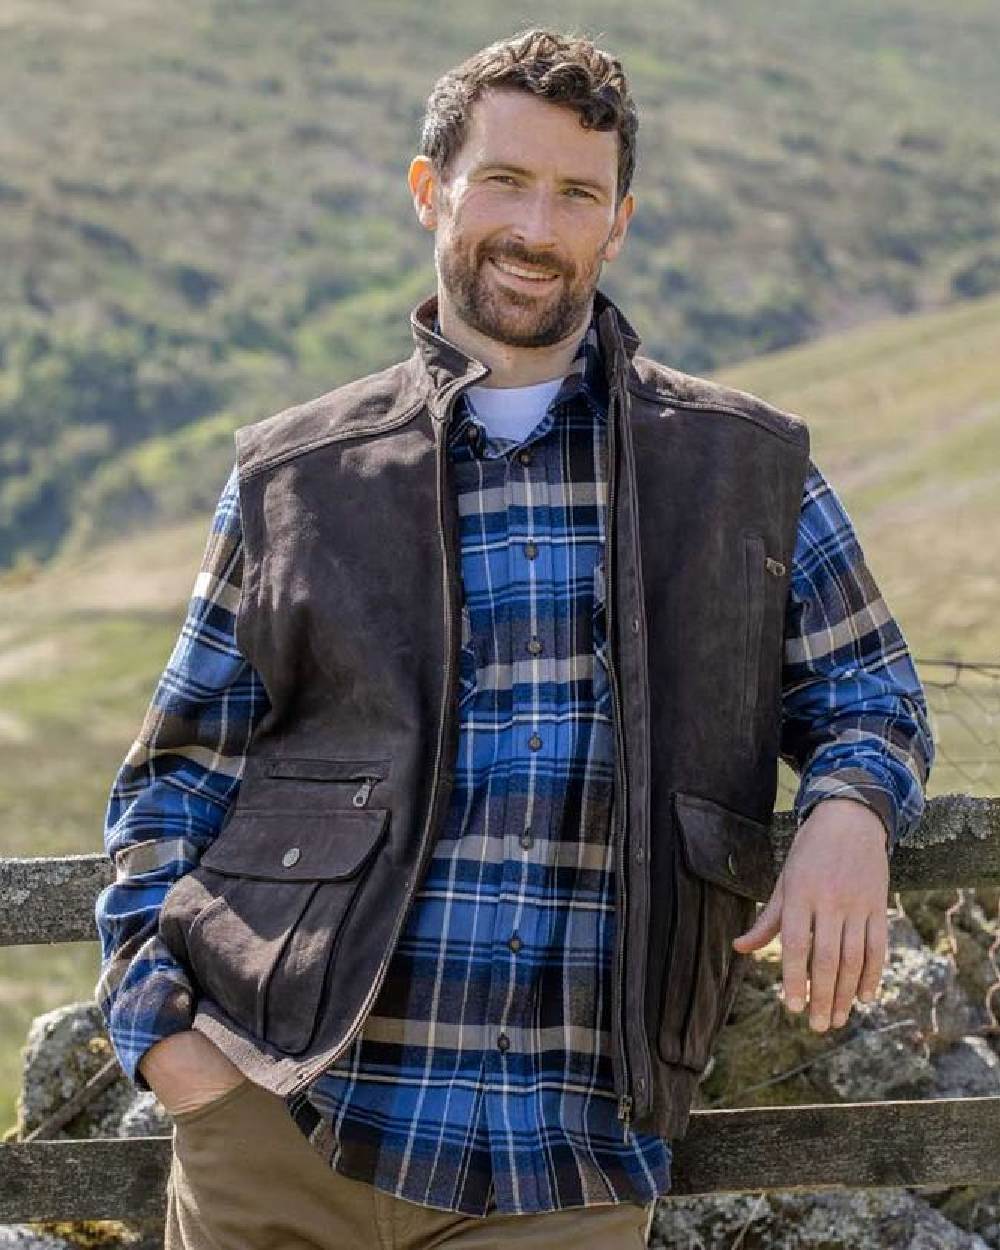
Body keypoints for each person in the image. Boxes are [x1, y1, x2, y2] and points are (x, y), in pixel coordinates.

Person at [94, 27, 934, 1250]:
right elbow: (172, 783)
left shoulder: (743, 470)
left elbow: (873, 691)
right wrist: (175, 1056)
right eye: (503, 180)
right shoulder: (295, 477)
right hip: (280, 1135)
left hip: (566, 1169)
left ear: (618, 223)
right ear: (429, 189)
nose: (537, 227)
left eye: (577, 194)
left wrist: (849, 814)